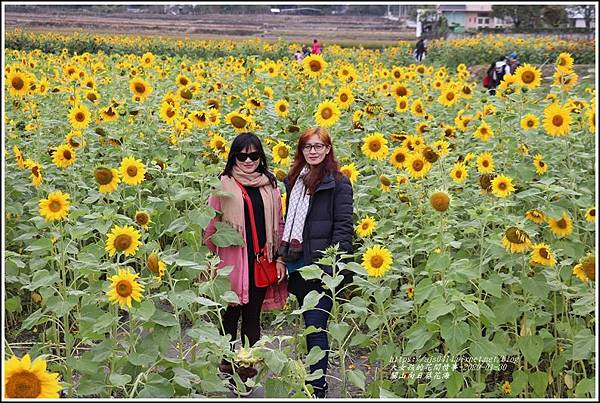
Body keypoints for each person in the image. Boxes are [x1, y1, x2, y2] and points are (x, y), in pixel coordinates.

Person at [203, 132, 288, 394]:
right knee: (230, 316)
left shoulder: (270, 185)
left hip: (261, 260)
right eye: (243, 155)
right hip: (231, 261)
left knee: (252, 317)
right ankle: (228, 366)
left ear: (261, 157)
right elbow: (211, 225)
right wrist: (211, 261)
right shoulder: (222, 185)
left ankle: (248, 371)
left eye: (254, 155)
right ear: (234, 157)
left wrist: (281, 257)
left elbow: (280, 223)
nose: (249, 160)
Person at [280, 127, 354, 398]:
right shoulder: (294, 181)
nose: (312, 151)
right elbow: (287, 221)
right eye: (307, 147)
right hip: (298, 263)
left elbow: (344, 228)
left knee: (316, 326)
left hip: (322, 268)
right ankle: (309, 381)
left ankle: (318, 387)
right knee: (307, 324)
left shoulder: (338, 182)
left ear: (327, 149)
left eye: (318, 146)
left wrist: (331, 268)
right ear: (302, 151)